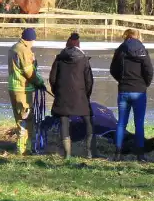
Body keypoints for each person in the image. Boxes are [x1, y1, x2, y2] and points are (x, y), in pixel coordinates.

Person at [110, 29, 154, 161]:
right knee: (139, 123)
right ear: (138, 37)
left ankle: (117, 154)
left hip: (124, 90)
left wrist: (121, 80)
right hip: (139, 91)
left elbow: (113, 70)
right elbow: (149, 70)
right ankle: (140, 155)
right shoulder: (143, 50)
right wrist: (144, 84)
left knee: (121, 123)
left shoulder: (120, 50)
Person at [49, 32, 95, 160]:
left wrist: (57, 92)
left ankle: (67, 154)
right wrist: (87, 95)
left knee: (64, 122)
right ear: (78, 45)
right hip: (81, 95)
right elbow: (89, 81)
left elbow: (52, 78)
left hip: (63, 96)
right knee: (88, 120)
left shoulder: (59, 58)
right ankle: (89, 152)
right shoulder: (84, 60)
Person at [8, 27, 48, 155]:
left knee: (20, 118)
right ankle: (23, 149)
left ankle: (23, 147)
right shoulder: (24, 50)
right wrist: (39, 82)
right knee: (26, 118)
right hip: (23, 89)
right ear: (31, 39)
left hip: (13, 87)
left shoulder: (14, 47)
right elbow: (28, 72)